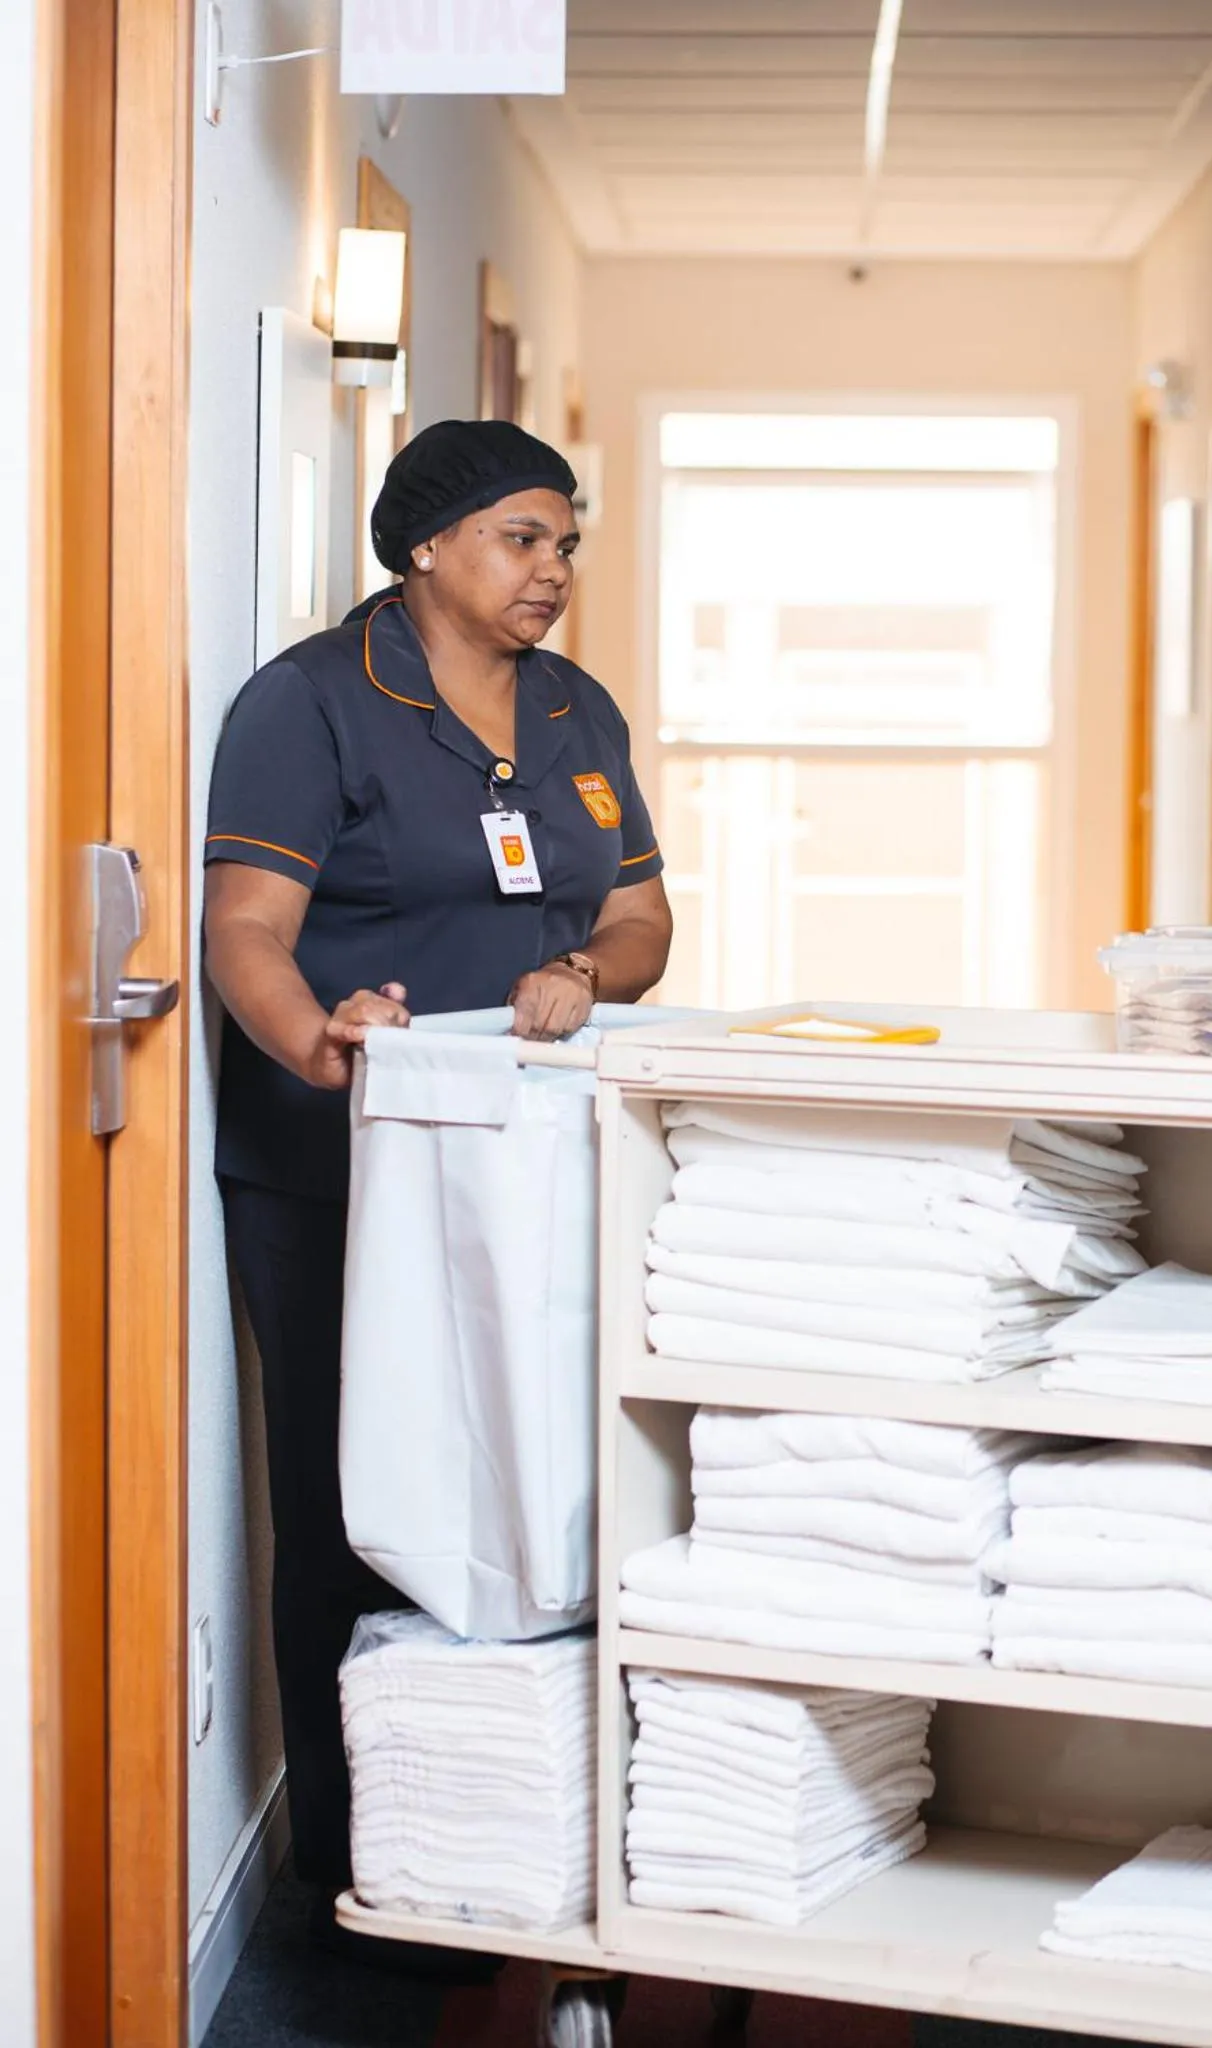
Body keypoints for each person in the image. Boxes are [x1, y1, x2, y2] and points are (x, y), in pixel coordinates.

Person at [203, 419, 671, 1949]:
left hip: (533, 1168)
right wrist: (322, 1041)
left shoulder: (576, 713)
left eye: (567, 543)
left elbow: (649, 919)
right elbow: (246, 936)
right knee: (352, 1506)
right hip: (343, 1170)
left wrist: (585, 971)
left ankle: (525, 1833)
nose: (553, 571)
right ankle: (356, 1877)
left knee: (544, 1485)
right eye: (523, 539)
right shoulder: (313, 703)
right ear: (425, 546)